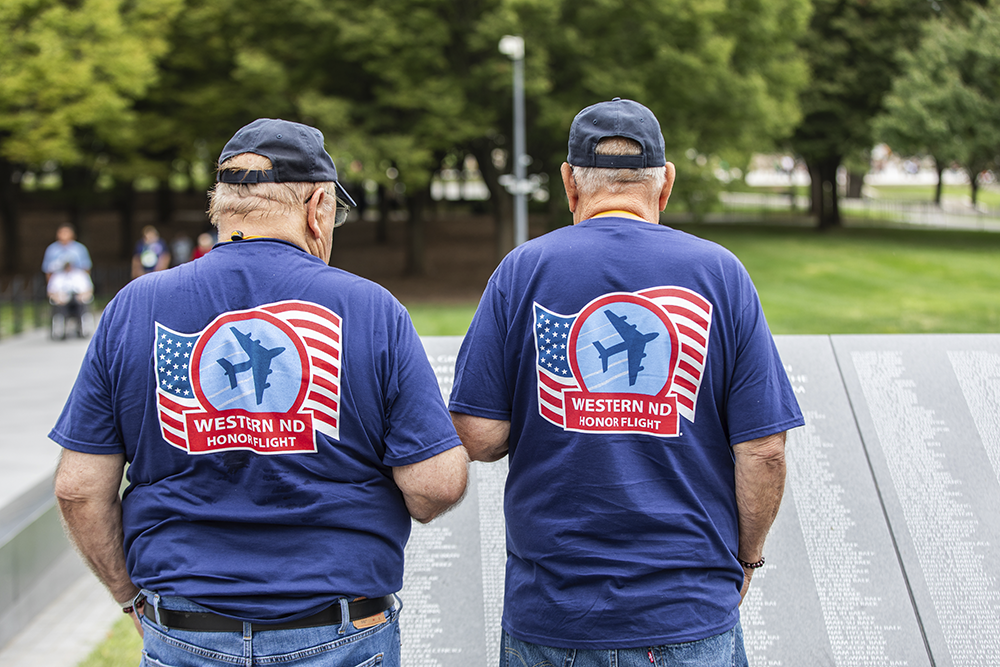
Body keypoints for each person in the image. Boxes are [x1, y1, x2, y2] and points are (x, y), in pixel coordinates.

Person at [50, 118, 468, 666]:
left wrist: (130, 600)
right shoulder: (370, 308)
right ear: (317, 204)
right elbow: (434, 484)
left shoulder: (134, 307)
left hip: (186, 628)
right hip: (338, 626)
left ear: (221, 206)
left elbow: (79, 489)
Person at [449, 98, 804, 666]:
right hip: (686, 612)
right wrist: (747, 557)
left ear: (569, 182)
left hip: (553, 617)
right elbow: (764, 450)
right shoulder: (720, 274)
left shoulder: (523, 270)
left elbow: (479, 435)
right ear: (664, 183)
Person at [47, 261, 94, 339]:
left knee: (82, 307)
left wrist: (83, 296)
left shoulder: (80, 275)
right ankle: (62, 331)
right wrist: (58, 299)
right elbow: (51, 292)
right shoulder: (57, 277)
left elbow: (89, 289)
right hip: (62, 299)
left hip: (78, 298)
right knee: (61, 309)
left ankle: (82, 330)